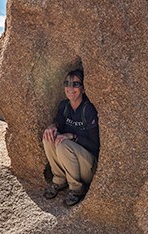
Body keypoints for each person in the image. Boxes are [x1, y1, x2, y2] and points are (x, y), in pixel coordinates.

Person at [42, 69, 100, 206]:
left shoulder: (88, 109)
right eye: (67, 83)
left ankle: (77, 189)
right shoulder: (64, 106)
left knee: (63, 144)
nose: (70, 88)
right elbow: (59, 124)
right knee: (49, 137)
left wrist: (73, 136)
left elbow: (95, 145)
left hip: (88, 166)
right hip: (70, 163)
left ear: (83, 88)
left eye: (75, 84)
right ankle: (60, 180)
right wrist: (52, 126)